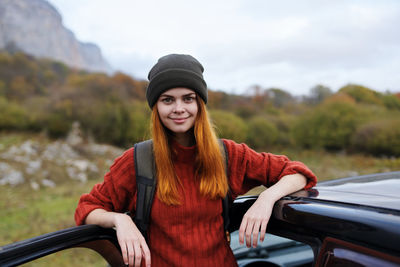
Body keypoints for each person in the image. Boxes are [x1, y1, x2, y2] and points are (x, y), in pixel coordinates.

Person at [75, 54, 317, 267]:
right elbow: (86, 209)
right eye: (167, 100)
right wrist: (119, 219)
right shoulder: (137, 161)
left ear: (200, 104)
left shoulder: (230, 155)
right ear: (156, 107)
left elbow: (298, 173)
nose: (179, 108)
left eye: (188, 98)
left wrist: (266, 198)